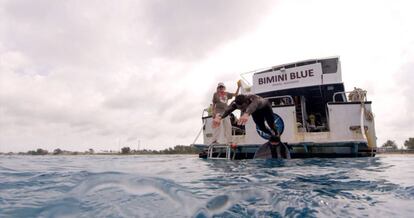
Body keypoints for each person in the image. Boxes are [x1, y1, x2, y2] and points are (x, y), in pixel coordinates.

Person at [213, 94, 279, 138]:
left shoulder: (254, 99)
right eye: (240, 108)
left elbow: (254, 105)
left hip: (265, 107)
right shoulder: (235, 104)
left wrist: (247, 113)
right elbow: (227, 111)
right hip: (255, 111)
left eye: (243, 107)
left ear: (247, 102)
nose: (242, 109)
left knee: (271, 124)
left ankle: (276, 133)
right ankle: (272, 135)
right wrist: (220, 117)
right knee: (261, 127)